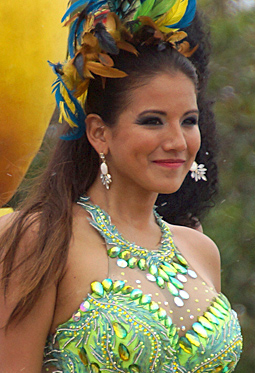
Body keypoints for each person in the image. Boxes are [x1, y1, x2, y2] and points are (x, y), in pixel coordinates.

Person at [0, 1, 242, 372]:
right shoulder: (41, 238)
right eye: (152, 121)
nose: (178, 141)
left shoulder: (201, 250)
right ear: (99, 132)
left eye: (189, 121)